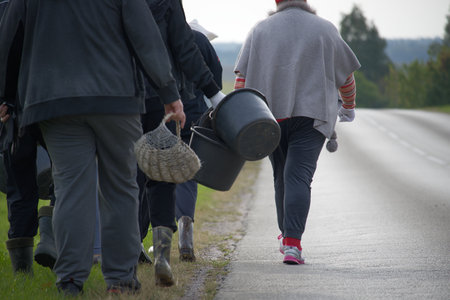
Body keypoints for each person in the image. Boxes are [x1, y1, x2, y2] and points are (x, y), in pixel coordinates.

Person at [0, 0, 185, 296]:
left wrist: (7, 96)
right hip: (117, 97)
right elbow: (145, 36)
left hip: (54, 101)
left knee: (71, 188)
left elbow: (9, 38)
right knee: (121, 188)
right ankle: (121, 280)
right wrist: (168, 92)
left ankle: (71, 280)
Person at [233, 0, 360, 265]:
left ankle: (287, 237)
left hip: (270, 117)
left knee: (282, 174)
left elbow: (241, 80)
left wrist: (240, 116)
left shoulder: (260, 30)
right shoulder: (325, 29)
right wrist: (348, 107)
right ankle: (292, 242)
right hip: (312, 116)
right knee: (297, 176)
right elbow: (346, 77)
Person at [137, 0, 224, 286]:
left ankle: (126, 249)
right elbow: (187, 51)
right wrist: (215, 96)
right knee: (166, 176)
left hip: (116, 96)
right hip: (164, 102)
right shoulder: (169, 9)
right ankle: (163, 252)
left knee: (126, 178)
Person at [175, 20, 223, 262]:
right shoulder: (201, 41)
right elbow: (215, 78)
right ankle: (185, 224)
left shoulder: (155, 35)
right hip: (192, 115)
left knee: (149, 178)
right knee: (186, 175)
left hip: (156, 113)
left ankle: (143, 242)